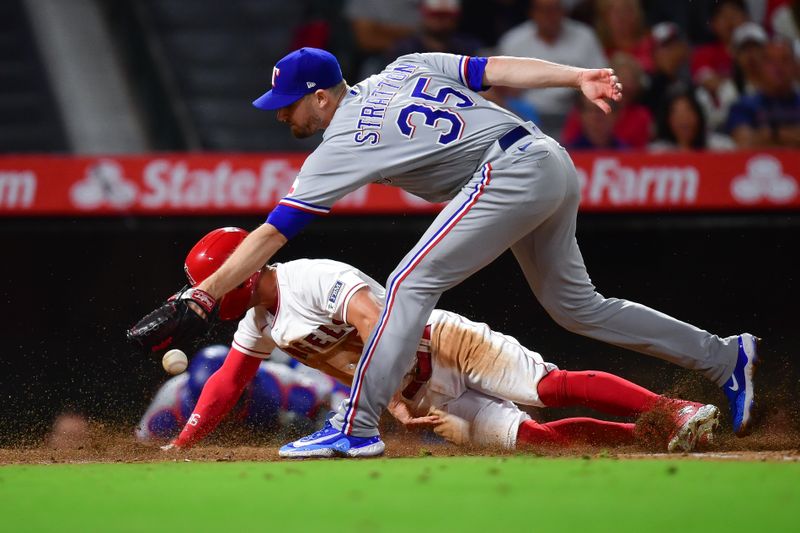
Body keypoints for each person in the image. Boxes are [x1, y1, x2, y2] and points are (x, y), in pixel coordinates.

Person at [128, 46, 758, 459]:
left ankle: (357, 426)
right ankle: (724, 357)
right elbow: (494, 71)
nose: (281, 115)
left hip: (510, 172)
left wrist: (203, 295)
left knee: (404, 285)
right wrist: (573, 76)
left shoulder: (338, 143)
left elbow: (268, 236)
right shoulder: (403, 68)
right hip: (547, 159)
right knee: (580, 309)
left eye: (287, 104)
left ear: (323, 95)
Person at [158, 228, 720, 454]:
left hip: (443, 345)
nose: (203, 293)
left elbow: (378, 322)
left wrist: (391, 400)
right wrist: (185, 442)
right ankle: (653, 436)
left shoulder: (311, 277)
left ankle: (675, 409)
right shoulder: (260, 318)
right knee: (536, 440)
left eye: (210, 280)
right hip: (423, 394)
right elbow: (229, 381)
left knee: (550, 387)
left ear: (241, 273)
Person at [136, 344, 347, 444]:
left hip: (275, 444)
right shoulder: (171, 401)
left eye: (230, 399)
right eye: (213, 401)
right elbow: (143, 442)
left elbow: (333, 394)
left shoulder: (273, 380)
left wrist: (332, 423)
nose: (223, 410)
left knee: (299, 422)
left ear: (247, 385)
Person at [495, 0, 608, 135]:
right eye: (544, 10)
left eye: (555, 9)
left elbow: (601, 79)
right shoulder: (513, 41)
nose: (550, 16)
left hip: (575, 112)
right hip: (526, 113)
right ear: (533, 13)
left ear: (563, 11)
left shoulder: (584, 36)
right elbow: (501, 86)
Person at [726, 38, 800, 147]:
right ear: (760, 66)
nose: (778, 67)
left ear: (795, 66)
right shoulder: (743, 106)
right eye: (770, 61)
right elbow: (745, 144)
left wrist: (771, 135)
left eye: (785, 59)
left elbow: (758, 139)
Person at [649, 87, 736, 152]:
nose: (684, 120)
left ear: (698, 116)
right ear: (668, 120)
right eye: (677, 115)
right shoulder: (657, 152)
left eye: (688, 113)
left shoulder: (722, 147)